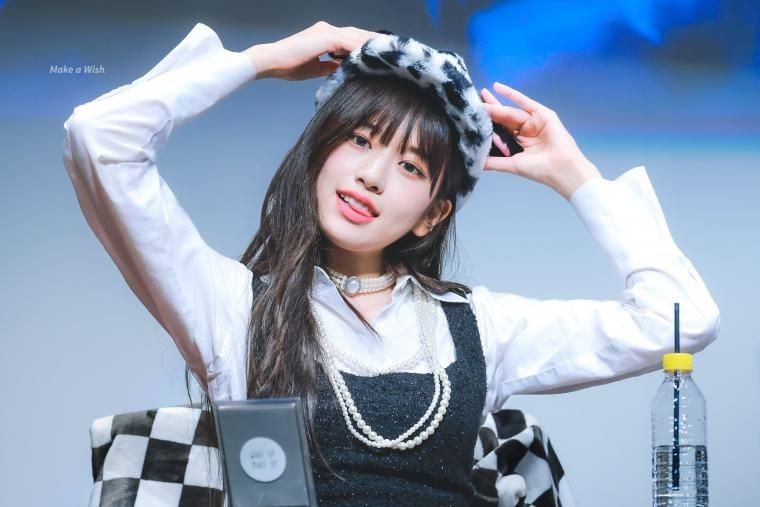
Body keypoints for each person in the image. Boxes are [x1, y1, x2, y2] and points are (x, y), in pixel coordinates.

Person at [62, 20, 720, 506]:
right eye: (359, 140)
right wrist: (261, 59)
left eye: (410, 166)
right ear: (319, 156)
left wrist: (575, 175)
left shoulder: (478, 325)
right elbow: (100, 140)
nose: (372, 175)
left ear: (433, 214)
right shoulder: (233, 308)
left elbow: (677, 320)